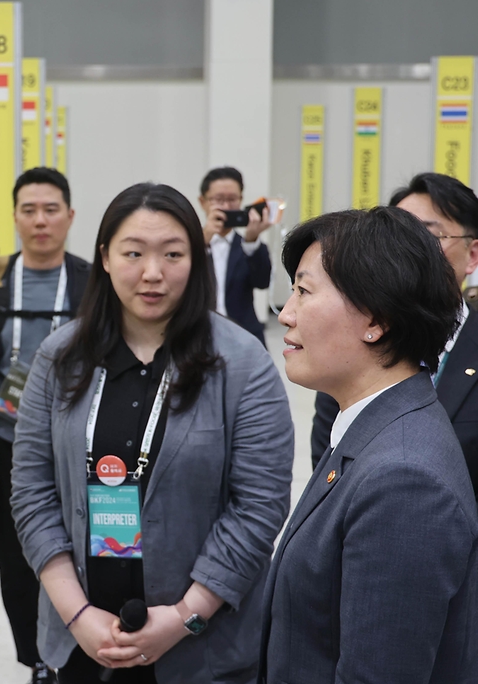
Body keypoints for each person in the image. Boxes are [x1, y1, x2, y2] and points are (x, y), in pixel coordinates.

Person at [11, 182, 294, 683]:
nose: (152, 273)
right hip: (82, 643)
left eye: (173, 254)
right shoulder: (60, 358)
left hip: (204, 650)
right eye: (133, 253)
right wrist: (77, 616)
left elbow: (259, 505)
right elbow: (32, 491)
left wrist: (186, 614)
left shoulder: (244, 362)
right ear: (104, 256)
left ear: (196, 257)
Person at [261, 207, 478, 683]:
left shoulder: (404, 480)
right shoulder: (373, 427)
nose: (286, 313)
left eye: (303, 290)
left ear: (375, 320)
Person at [0, 166, 90, 683]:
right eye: (29, 210)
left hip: (82, 440)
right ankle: (36, 658)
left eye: (51, 209)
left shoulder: (93, 280)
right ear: (14, 217)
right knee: (17, 559)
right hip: (6, 441)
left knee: (85, 546)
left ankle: (78, 650)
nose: (40, 221)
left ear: (70, 216)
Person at [309, 173, 478, 499]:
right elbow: (326, 465)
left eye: (428, 237)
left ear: (472, 255)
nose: (406, 253)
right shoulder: (351, 343)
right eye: (396, 240)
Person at [198, 167, 272, 346]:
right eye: (218, 199)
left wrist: (252, 241)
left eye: (232, 199)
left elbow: (262, 282)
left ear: (241, 200)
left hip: (243, 334)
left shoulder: (248, 244)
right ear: (203, 202)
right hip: (199, 334)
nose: (225, 206)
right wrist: (200, 243)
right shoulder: (188, 245)